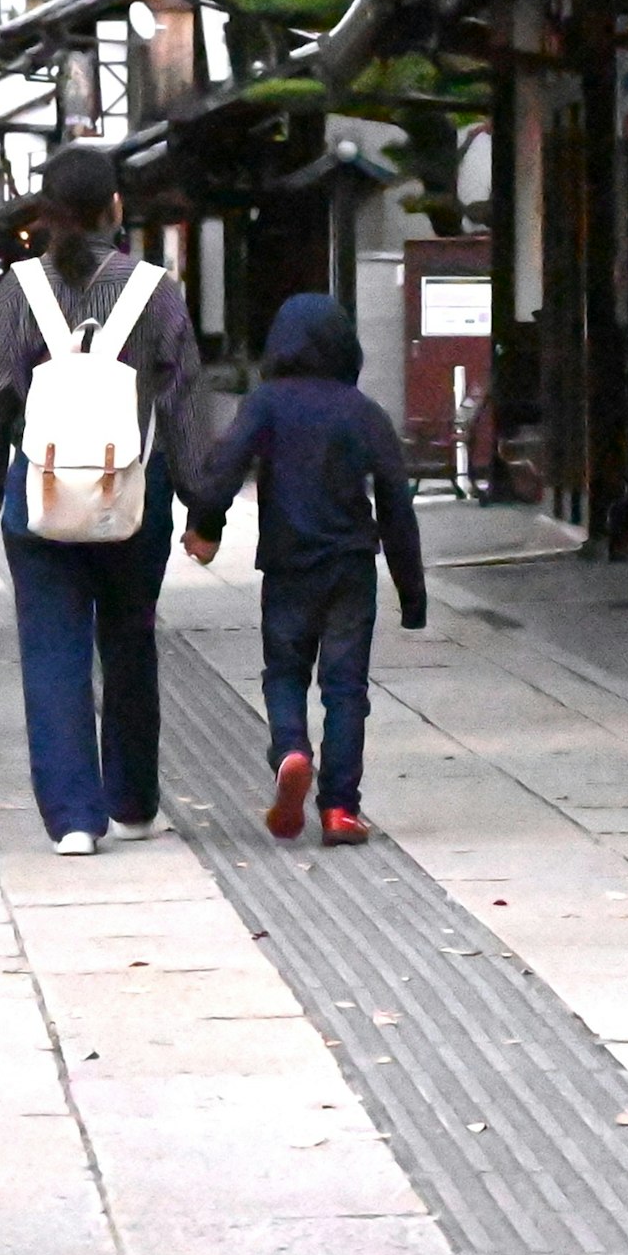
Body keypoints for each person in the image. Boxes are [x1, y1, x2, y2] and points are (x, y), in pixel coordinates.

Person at [0, 146, 210, 855]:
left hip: (39, 487)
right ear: (115, 209)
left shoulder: (18, 290)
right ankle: (132, 802)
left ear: (45, 214)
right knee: (130, 640)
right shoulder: (155, 290)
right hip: (131, 487)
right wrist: (204, 502)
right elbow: (185, 401)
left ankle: (73, 817)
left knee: (51, 648)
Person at [182, 292, 425, 847]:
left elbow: (225, 467)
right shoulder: (364, 412)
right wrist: (412, 596)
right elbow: (395, 503)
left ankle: (291, 751)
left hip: (288, 567)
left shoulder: (267, 403)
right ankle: (340, 809)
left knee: (285, 673)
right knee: (345, 689)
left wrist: (206, 527)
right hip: (351, 571)